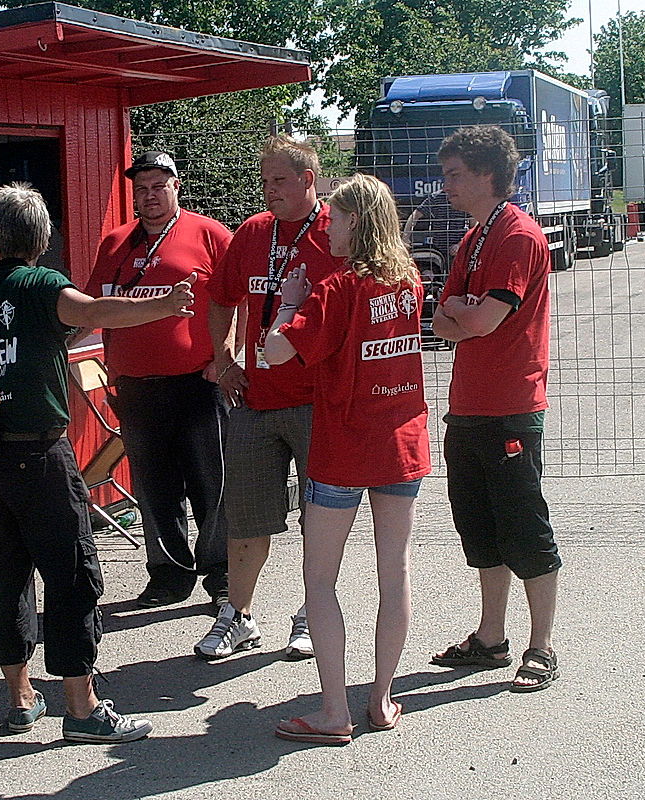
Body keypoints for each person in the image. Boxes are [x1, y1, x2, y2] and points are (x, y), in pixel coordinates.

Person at [0, 182, 196, 743]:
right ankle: (81, 711)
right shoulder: (42, 286)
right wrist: (167, 303)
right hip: (40, 453)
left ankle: (19, 699)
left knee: (6, 577)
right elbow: (100, 311)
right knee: (73, 574)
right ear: (42, 238)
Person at [264, 174, 430, 745]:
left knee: (319, 580)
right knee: (395, 574)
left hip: (341, 449)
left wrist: (288, 303)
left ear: (355, 221)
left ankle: (335, 712)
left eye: (333, 217)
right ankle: (380, 698)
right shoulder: (409, 281)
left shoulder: (335, 289)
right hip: (400, 443)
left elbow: (276, 350)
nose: (326, 225)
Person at [196, 135, 345, 661]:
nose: (269, 190)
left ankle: (310, 613)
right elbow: (220, 298)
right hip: (255, 401)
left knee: (318, 516)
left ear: (308, 180)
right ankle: (237, 616)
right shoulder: (253, 232)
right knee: (246, 516)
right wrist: (224, 358)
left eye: (278, 180)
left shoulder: (338, 231)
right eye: (264, 180)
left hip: (316, 400)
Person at [428, 125, 563, 693]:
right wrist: (460, 309)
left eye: (455, 173)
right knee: (480, 527)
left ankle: (542, 645)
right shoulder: (471, 238)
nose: (446, 184)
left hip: (510, 408)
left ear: (487, 173)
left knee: (524, 526)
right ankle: (491, 638)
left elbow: (479, 322)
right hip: (468, 408)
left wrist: (461, 310)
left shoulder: (517, 235)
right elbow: (441, 323)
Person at [85, 151, 231, 610]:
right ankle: (168, 576)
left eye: (158, 186)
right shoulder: (115, 244)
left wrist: (228, 358)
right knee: (154, 488)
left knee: (212, 484)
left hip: (198, 382)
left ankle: (222, 576)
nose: (149, 196)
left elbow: (241, 299)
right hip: (137, 387)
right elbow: (92, 306)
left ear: (176, 186)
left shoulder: (208, 234)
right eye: (141, 188)